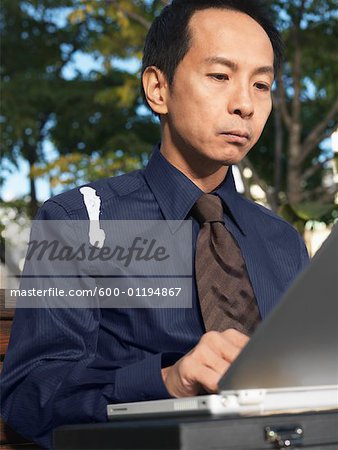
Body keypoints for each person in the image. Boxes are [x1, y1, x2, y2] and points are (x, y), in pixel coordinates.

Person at [0, 1, 309, 448]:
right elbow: (31, 396)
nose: (245, 104)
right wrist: (168, 380)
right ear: (158, 88)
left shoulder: (281, 240)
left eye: (261, 85)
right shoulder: (81, 224)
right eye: (220, 76)